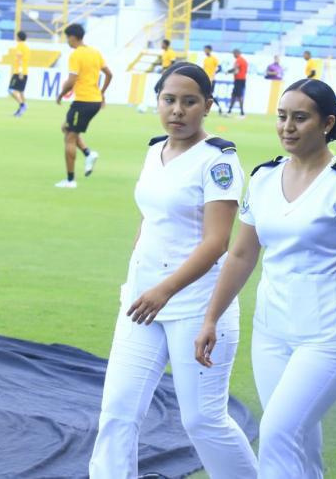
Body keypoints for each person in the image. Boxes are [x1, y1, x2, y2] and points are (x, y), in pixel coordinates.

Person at [195, 78, 336, 478]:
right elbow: (242, 254)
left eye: (300, 118)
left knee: (278, 431)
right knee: (300, 439)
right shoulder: (262, 178)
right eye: (282, 117)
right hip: (271, 333)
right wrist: (211, 318)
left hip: (327, 336)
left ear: (327, 123)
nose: (287, 127)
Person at [89, 62, 258, 479]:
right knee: (117, 411)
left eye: (189, 102)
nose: (177, 111)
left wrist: (163, 289)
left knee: (202, 420)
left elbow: (216, 242)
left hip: (197, 308)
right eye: (169, 100)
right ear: (157, 101)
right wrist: (139, 275)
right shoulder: (154, 149)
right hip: (141, 303)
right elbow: (150, 217)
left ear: (207, 106)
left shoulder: (218, 162)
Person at [54, 23, 112, 188]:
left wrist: (60, 94)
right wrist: (102, 93)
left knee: (69, 137)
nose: (67, 41)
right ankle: (88, 153)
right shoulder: (95, 52)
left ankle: (70, 180)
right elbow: (109, 74)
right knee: (67, 128)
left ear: (73, 37)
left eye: (67, 38)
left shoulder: (76, 55)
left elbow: (71, 81)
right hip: (94, 101)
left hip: (83, 101)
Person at [9, 30, 31, 116]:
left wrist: (20, 71)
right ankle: (21, 111)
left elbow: (20, 59)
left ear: (18, 37)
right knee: (21, 91)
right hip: (25, 72)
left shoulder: (20, 46)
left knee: (11, 90)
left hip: (19, 72)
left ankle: (23, 105)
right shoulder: (27, 47)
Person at [227, 49, 247, 118]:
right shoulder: (243, 60)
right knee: (234, 95)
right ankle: (229, 111)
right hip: (241, 80)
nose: (233, 55)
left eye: (233, 54)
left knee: (239, 96)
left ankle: (242, 113)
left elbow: (235, 69)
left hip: (239, 80)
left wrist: (228, 71)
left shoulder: (239, 60)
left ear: (237, 53)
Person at [203, 45, 223, 114]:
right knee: (206, 94)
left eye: (206, 50)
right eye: (204, 50)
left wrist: (213, 74)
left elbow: (220, 68)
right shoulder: (205, 59)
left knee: (209, 94)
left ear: (209, 50)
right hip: (205, 79)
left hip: (212, 80)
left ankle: (219, 107)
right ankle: (217, 108)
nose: (205, 51)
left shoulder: (214, 59)